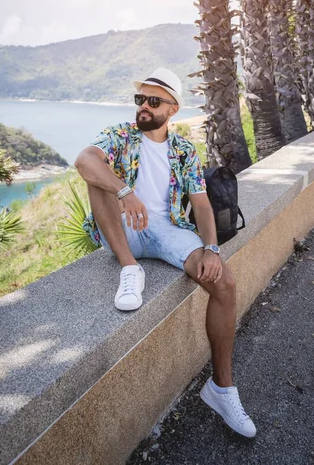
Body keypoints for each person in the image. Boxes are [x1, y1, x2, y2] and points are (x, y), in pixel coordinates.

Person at [74, 67, 256, 438]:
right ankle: (130, 270)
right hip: (123, 229)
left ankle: (222, 390)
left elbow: (202, 207)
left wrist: (210, 248)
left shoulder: (184, 150)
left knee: (225, 283)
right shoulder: (119, 135)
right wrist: (125, 191)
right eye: (140, 99)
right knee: (97, 176)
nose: (143, 106)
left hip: (167, 229)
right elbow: (84, 161)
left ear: (171, 110)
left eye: (153, 101)